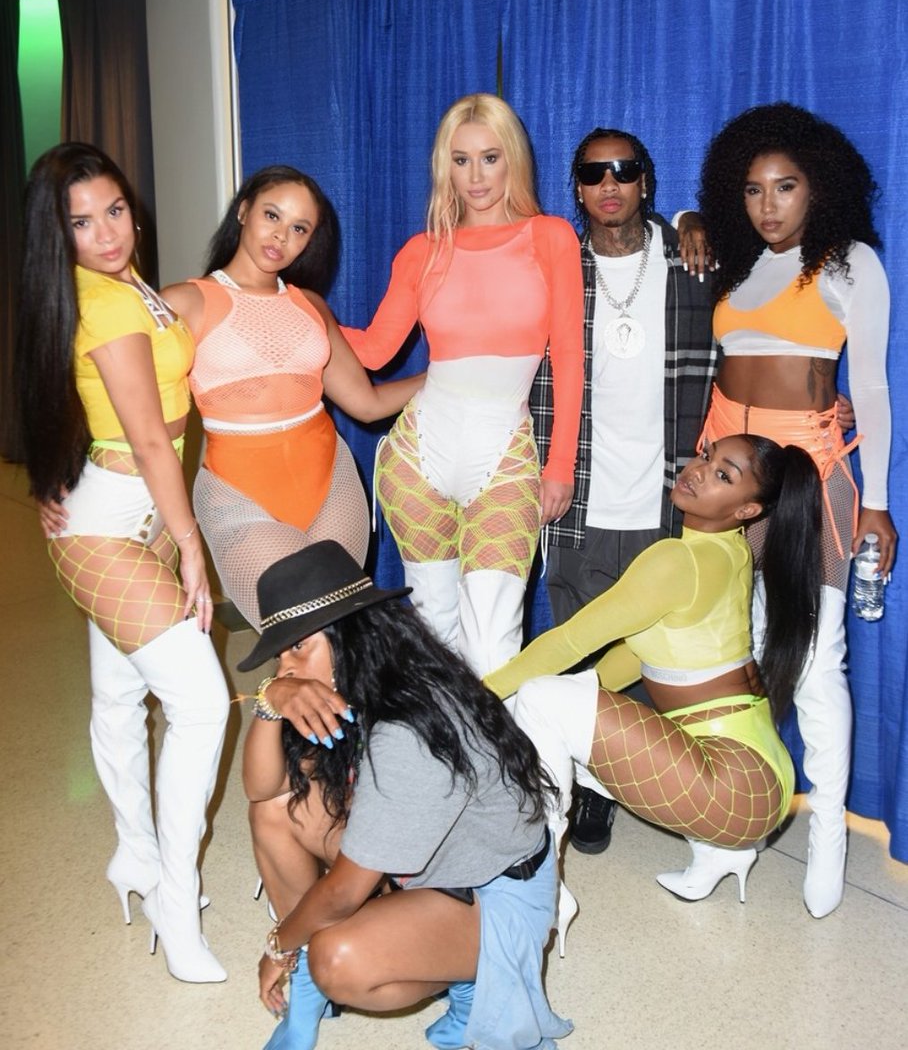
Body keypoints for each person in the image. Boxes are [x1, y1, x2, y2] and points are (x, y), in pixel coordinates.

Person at [15, 143, 229, 982]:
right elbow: (146, 439)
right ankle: (175, 898)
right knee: (202, 704)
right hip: (110, 526)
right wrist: (191, 544)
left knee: (118, 693)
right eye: (81, 222)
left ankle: (134, 854)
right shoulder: (103, 303)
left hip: (133, 509)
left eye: (114, 210)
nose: (106, 232)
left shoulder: (130, 286)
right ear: (57, 235)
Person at [239, 541, 572, 1050]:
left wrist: (279, 945)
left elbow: (343, 893)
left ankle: (466, 980)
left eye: (299, 647)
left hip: (492, 894)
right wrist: (270, 700)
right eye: (280, 655)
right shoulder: (369, 683)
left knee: (337, 958)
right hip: (432, 865)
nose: (287, 668)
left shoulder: (407, 728)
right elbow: (261, 789)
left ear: (349, 635)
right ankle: (315, 974)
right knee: (277, 811)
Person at [485, 434, 822, 935]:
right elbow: (640, 656)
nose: (699, 470)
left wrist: (476, 694)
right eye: (706, 454)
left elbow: (569, 641)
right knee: (549, 704)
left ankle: (541, 887)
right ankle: (718, 855)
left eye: (723, 474)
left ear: (747, 510)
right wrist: (563, 700)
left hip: (732, 786)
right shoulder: (730, 551)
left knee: (538, 697)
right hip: (763, 776)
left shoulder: (676, 560)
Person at [697, 102, 897, 918]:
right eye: (752, 189)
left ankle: (829, 837)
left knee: (816, 664)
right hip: (727, 480)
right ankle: (730, 830)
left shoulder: (849, 264)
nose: (768, 205)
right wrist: (689, 222)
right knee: (733, 655)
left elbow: (871, 387)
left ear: (820, 187)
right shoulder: (737, 261)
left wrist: (876, 503)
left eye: (785, 186)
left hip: (812, 475)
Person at [340, 94, 584, 677]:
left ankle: (496, 744)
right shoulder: (422, 251)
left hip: (504, 459)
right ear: (443, 167)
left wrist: (560, 465)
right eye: (460, 160)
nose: (476, 177)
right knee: (434, 635)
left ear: (512, 160)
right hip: (417, 458)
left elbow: (570, 360)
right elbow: (374, 349)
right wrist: (297, 312)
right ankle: (441, 739)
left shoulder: (550, 238)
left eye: (490, 158)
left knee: (493, 647)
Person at [531, 127, 717, 855]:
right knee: (579, 655)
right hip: (577, 501)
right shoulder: (553, 269)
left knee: (653, 661)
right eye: (593, 173)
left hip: (667, 503)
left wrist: (694, 221)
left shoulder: (696, 260)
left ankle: (650, 780)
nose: (609, 184)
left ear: (647, 180)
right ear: (576, 188)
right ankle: (587, 786)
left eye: (624, 169)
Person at [161, 166, 423, 629]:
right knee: (296, 632)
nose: (282, 236)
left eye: (299, 228)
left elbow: (366, 404)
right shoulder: (184, 302)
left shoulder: (311, 305)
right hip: (237, 493)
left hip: (332, 484)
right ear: (243, 210)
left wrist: (445, 375)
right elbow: (143, 418)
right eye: (272, 215)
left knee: (337, 635)